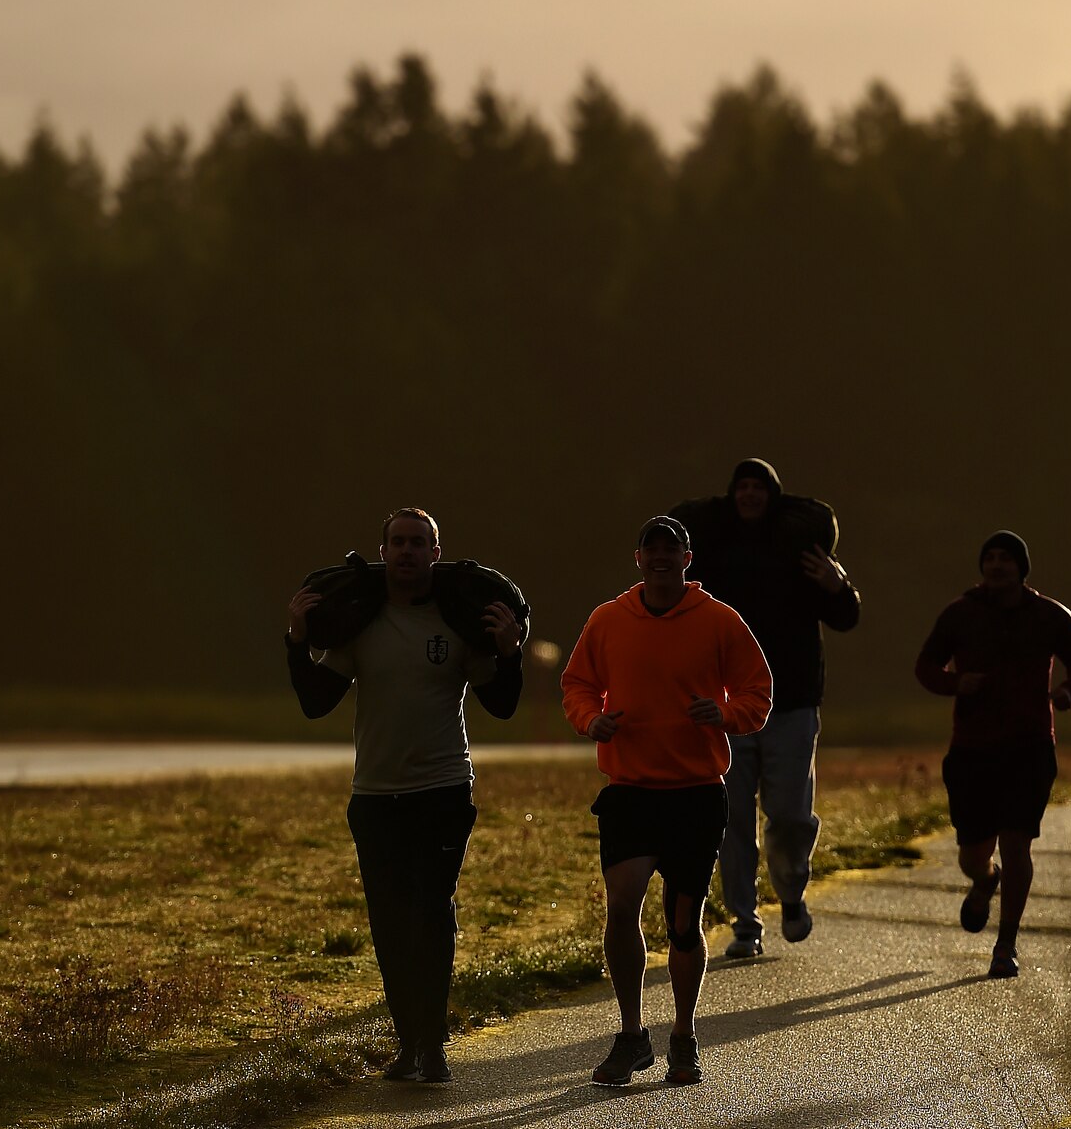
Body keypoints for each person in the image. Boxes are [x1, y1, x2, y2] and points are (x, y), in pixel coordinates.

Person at [285, 507, 524, 1083]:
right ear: (383, 551)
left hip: (443, 791)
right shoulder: (359, 622)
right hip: (376, 795)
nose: (408, 552)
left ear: (436, 553)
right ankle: (408, 1040)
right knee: (390, 922)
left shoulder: (458, 621)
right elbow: (316, 701)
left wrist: (510, 654)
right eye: (398, 542)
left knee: (431, 914)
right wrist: (295, 642)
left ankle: (432, 1041)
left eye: (420, 543)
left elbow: (503, 704)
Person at [560, 515, 772, 1086]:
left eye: (669, 549)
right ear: (637, 558)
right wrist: (591, 720)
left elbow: (758, 690)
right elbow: (577, 683)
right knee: (622, 906)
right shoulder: (608, 620)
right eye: (650, 549)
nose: (659, 558)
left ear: (686, 558)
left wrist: (724, 714)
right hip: (629, 791)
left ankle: (683, 1034)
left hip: (695, 793)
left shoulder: (719, 621)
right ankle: (631, 1036)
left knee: (683, 922)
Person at [677, 457, 860, 958]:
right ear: (731, 495)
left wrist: (836, 585)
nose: (751, 495)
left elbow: (847, 617)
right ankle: (744, 922)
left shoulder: (801, 557)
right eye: (743, 486)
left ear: (772, 497)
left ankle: (792, 891)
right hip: (728, 706)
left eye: (760, 487)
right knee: (732, 818)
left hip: (792, 704)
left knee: (790, 816)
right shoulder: (713, 560)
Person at [914, 530, 1071, 979]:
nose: (996, 566)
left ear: (1021, 568)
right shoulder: (960, 614)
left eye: (1006, 559)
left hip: (1029, 748)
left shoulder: (1049, 615)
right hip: (972, 750)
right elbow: (925, 667)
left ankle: (1006, 944)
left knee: (1017, 844)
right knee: (973, 854)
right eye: (990, 558)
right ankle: (983, 881)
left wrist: (1069, 693)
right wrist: (957, 683)